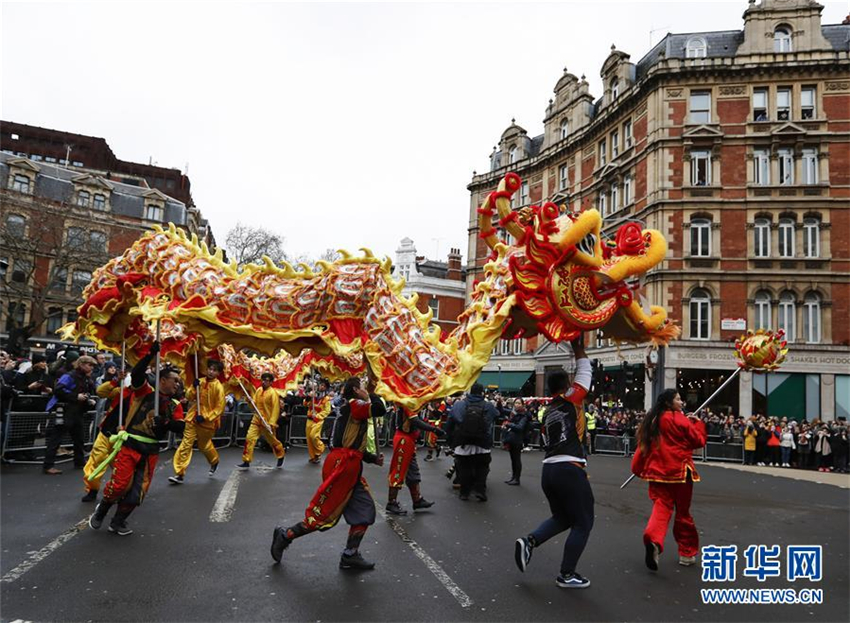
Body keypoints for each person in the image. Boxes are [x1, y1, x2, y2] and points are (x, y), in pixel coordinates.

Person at [271, 376, 384, 570]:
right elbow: (380, 409)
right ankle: (286, 535)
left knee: (365, 509)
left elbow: (351, 445)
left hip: (349, 466)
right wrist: (371, 394)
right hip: (342, 467)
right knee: (324, 515)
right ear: (356, 390)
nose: (366, 389)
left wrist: (372, 458)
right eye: (362, 387)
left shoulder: (351, 408)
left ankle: (350, 554)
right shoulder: (355, 405)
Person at [514, 336, 594, 589]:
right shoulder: (572, 399)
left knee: (562, 517)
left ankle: (530, 542)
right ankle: (567, 574)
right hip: (569, 468)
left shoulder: (547, 411)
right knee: (583, 522)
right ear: (568, 385)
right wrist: (577, 346)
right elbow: (586, 369)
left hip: (549, 469)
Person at [88, 343, 185, 535]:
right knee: (119, 486)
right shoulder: (144, 392)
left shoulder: (175, 405)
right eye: (174, 380)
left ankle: (118, 521)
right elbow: (138, 373)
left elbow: (181, 427)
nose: (177, 384)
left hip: (150, 452)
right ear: (163, 380)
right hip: (130, 447)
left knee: (137, 493)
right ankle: (102, 510)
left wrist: (165, 422)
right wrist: (150, 354)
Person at [630, 389, 707, 571]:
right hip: (680, 472)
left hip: (658, 473)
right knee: (683, 513)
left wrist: (638, 467)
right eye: (678, 399)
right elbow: (698, 441)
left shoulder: (653, 420)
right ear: (669, 402)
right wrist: (698, 425)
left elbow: (643, 446)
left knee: (661, 507)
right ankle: (686, 553)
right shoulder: (680, 419)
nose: (682, 403)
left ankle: (653, 538)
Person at [170, 360, 226, 483]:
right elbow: (189, 397)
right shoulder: (199, 382)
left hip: (208, 423)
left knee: (204, 446)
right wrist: (193, 387)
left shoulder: (219, 388)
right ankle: (179, 473)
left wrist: (206, 417)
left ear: (218, 373)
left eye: (214, 370)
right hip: (192, 418)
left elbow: (219, 408)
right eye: (210, 368)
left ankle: (214, 460)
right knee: (186, 443)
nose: (211, 372)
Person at [385, 404, 444, 515]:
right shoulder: (407, 403)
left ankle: (417, 499)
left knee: (413, 470)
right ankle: (391, 502)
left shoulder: (412, 404)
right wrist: (434, 429)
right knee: (398, 470)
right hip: (404, 439)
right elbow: (416, 421)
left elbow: (416, 421)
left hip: (409, 439)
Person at [444, 382, 499, 501]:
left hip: (463, 441)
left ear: (470, 392)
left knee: (464, 468)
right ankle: (480, 491)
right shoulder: (488, 405)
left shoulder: (459, 404)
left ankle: (464, 492)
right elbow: (496, 415)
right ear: (482, 392)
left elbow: (450, 423)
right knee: (482, 468)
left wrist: (450, 440)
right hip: (482, 442)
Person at [43, 355, 97, 475]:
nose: (92, 368)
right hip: (66, 410)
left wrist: (88, 399)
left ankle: (79, 461)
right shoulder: (70, 375)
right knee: (56, 438)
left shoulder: (84, 377)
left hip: (76, 411)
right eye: (90, 365)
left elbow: (84, 391)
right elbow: (58, 390)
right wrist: (76, 396)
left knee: (79, 439)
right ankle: (48, 465)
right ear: (81, 364)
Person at [237, 372, 285, 470]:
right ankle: (246, 460)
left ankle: (280, 454)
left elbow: (276, 409)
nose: (264, 382)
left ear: (271, 382)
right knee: (250, 438)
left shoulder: (273, 393)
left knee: (272, 441)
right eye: (263, 380)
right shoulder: (258, 390)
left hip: (267, 422)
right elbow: (253, 406)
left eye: (267, 380)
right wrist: (249, 401)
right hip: (257, 419)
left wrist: (271, 422)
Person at [502, 398, 529, 485]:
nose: (516, 405)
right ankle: (513, 477)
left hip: (517, 439)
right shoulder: (513, 413)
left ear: (522, 405)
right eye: (515, 403)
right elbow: (501, 410)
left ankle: (517, 479)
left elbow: (520, 427)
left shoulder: (524, 415)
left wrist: (508, 424)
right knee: (513, 459)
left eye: (518, 403)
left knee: (516, 459)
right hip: (512, 439)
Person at [305, 379, 332, 464]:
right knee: (309, 439)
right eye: (321, 385)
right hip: (309, 419)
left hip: (318, 421)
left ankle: (320, 449)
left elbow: (327, 411)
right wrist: (308, 398)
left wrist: (317, 416)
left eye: (324, 386)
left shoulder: (327, 399)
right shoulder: (312, 394)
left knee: (314, 436)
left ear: (326, 388)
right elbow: (305, 404)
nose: (322, 387)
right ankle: (313, 456)